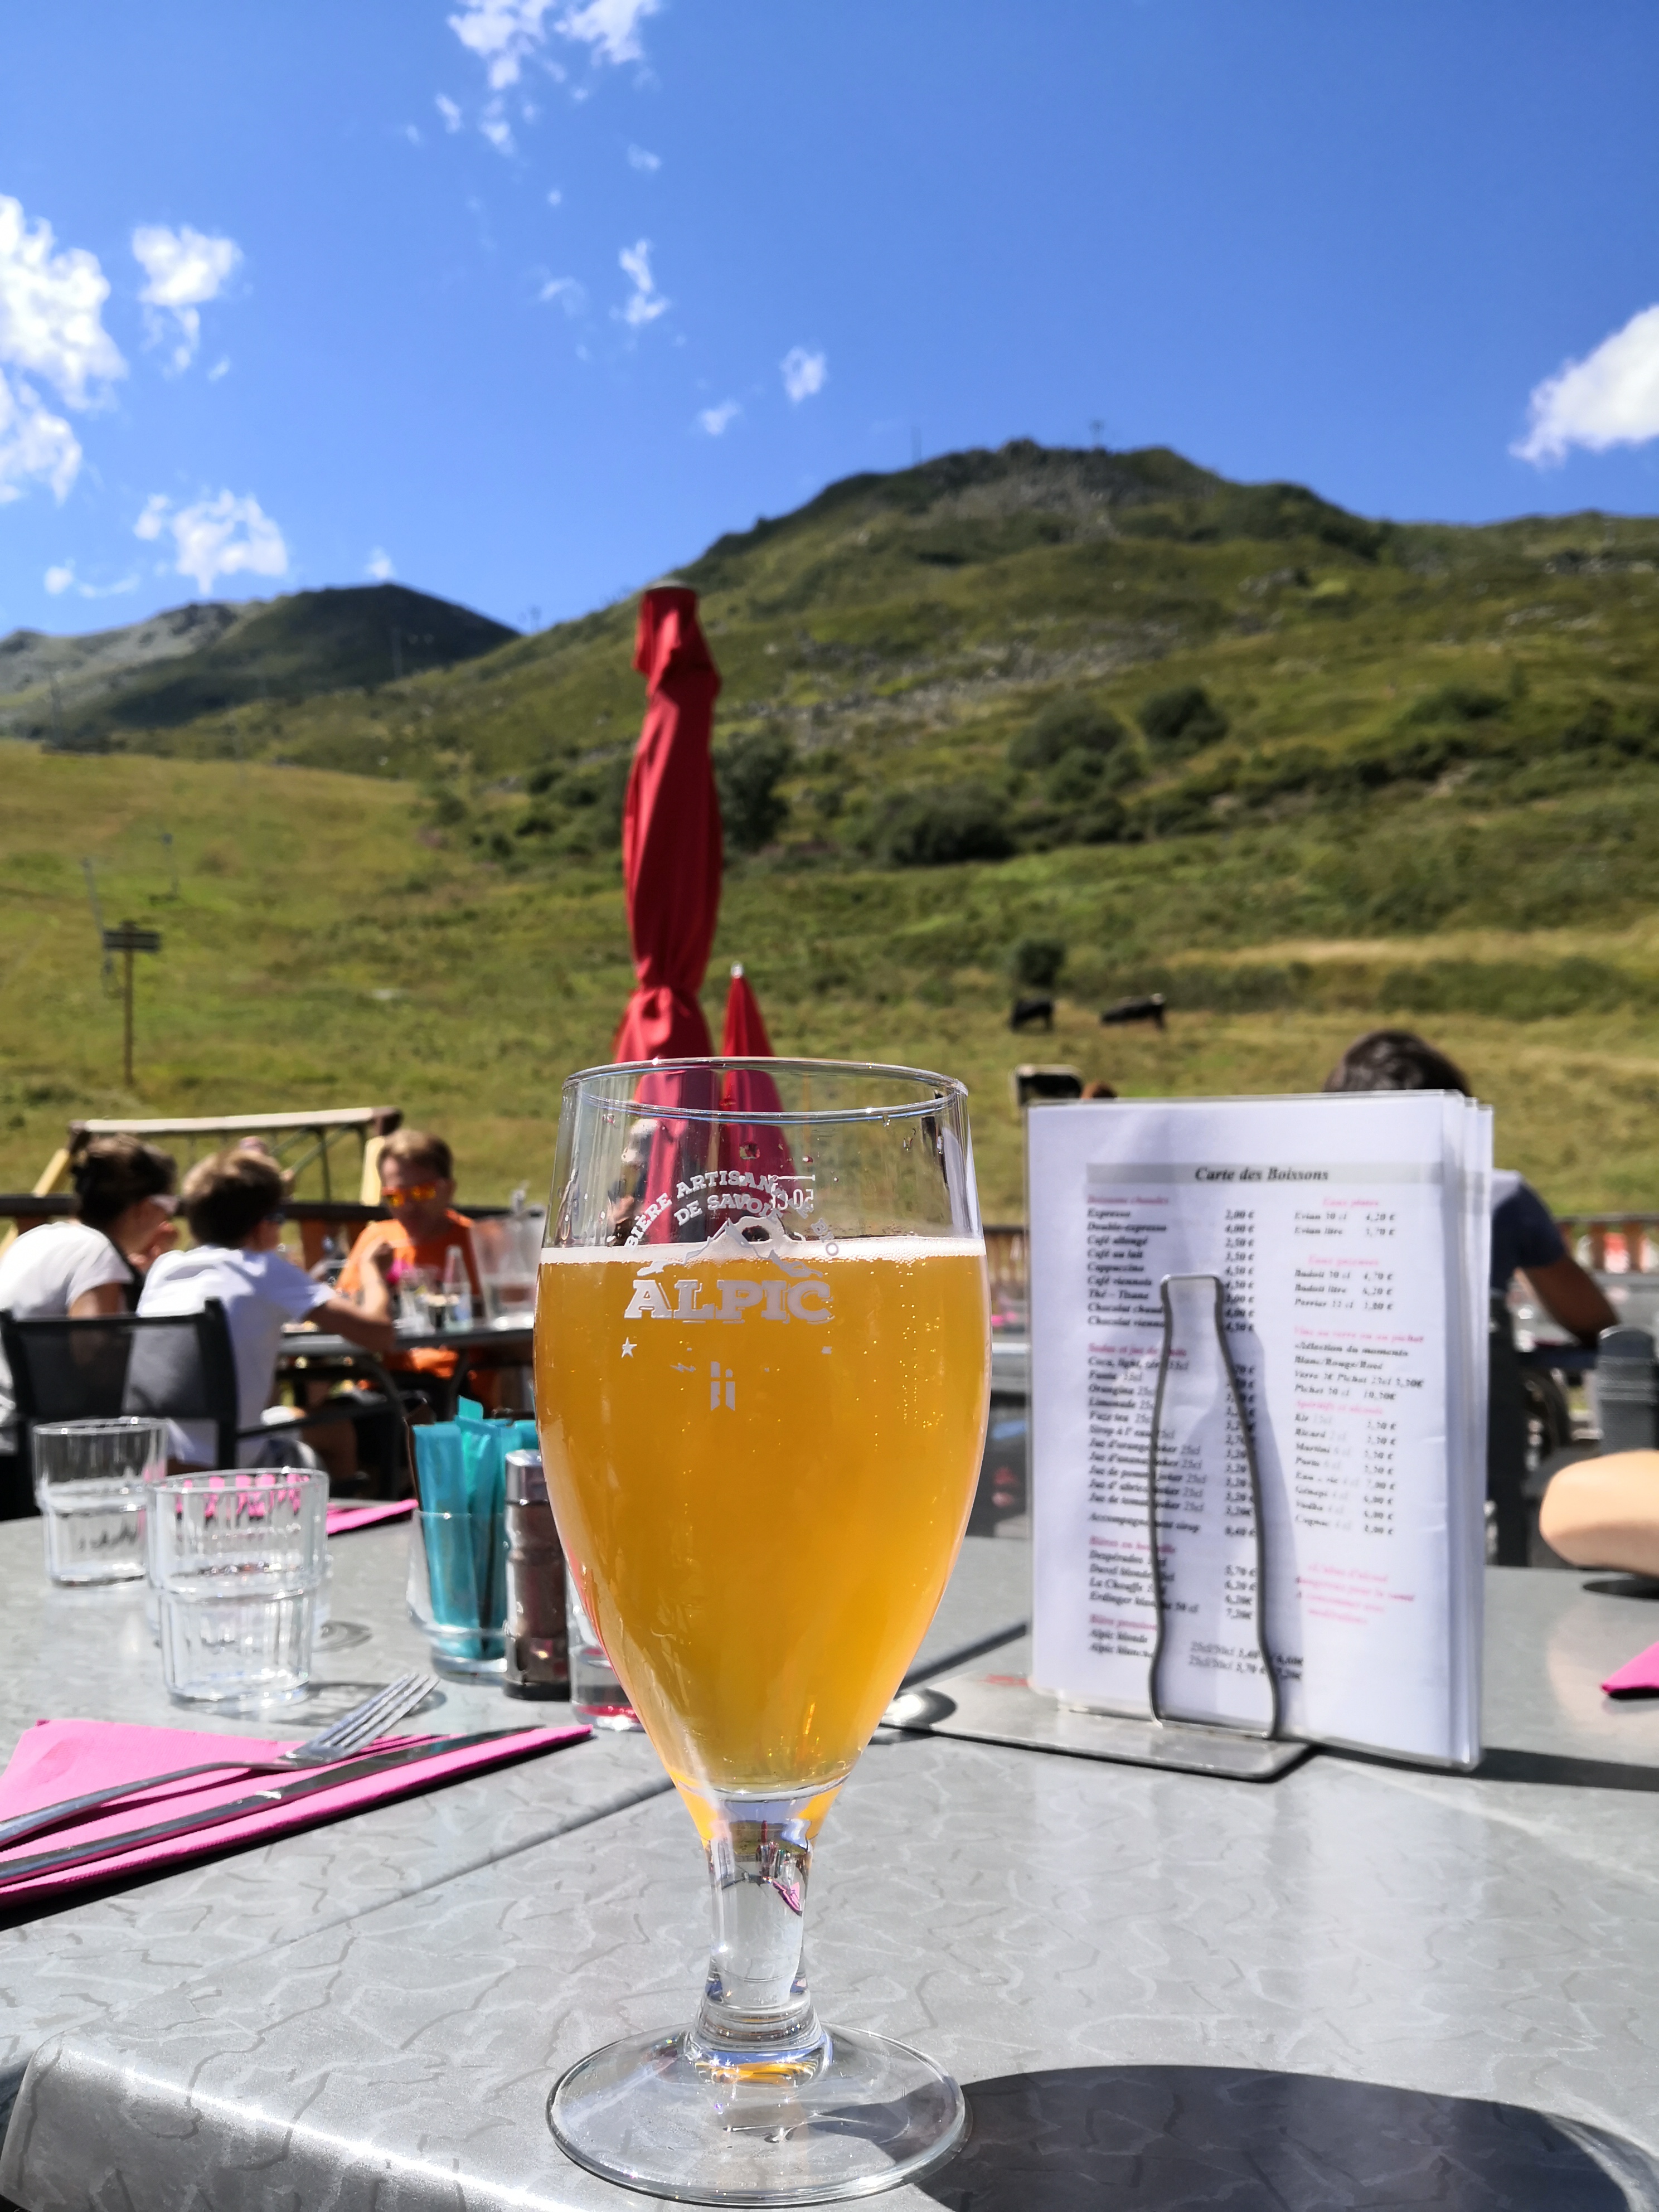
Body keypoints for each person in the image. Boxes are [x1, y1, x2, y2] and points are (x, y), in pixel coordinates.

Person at [1323, 1028, 1616, 1564]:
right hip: (1479, 1508)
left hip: (1341, 1514)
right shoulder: (1498, 1196)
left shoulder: (1312, 1204)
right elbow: (1592, 1320)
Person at [139, 1149, 395, 1467]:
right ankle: (345, 1500)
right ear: (263, 1226)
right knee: (337, 1429)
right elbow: (379, 1335)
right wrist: (371, 1270)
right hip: (228, 1461)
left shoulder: (165, 1269)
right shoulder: (262, 1269)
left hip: (155, 1460)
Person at [0, 1135, 178, 1518]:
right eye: (170, 1207)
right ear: (145, 1208)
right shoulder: (97, 1254)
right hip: (43, 1457)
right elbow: (95, 1357)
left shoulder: (35, 1240)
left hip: (15, 1440)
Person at [336, 1129, 482, 1393]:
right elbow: (346, 1313)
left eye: (422, 1192)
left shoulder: (476, 1243)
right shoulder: (377, 1240)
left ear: (449, 1189)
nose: (408, 1206)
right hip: (383, 1384)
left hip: (459, 1387)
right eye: (395, 1196)